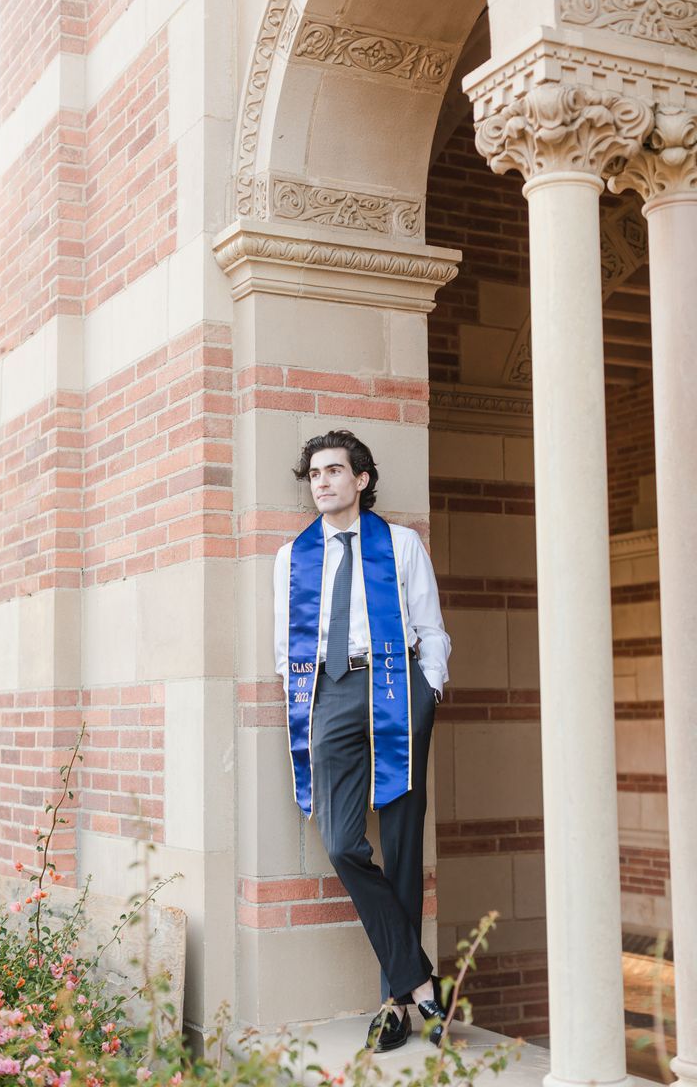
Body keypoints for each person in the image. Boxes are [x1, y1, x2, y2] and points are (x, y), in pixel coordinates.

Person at [273, 429, 452, 1051]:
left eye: (332, 471)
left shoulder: (400, 546)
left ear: (361, 480)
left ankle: (394, 1007)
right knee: (344, 842)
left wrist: (428, 694)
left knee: (401, 844)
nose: (320, 481)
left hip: (398, 692)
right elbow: (284, 646)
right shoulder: (291, 557)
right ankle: (422, 980)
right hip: (331, 693)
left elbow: (431, 628)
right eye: (313, 473)